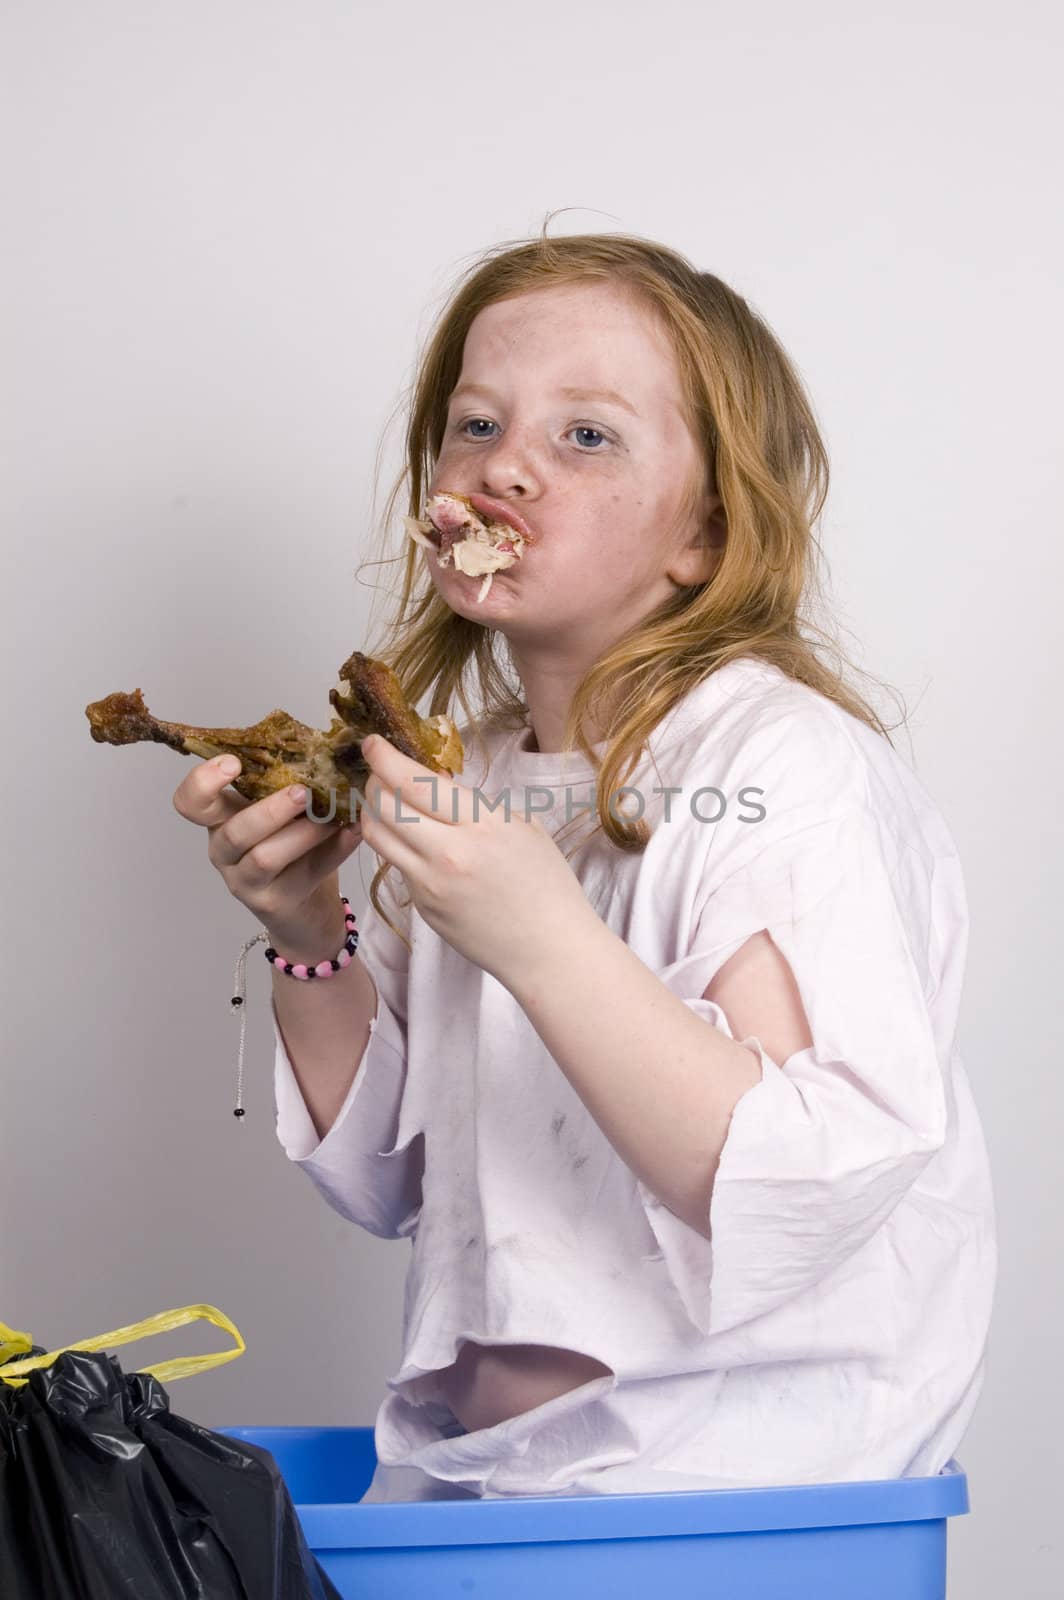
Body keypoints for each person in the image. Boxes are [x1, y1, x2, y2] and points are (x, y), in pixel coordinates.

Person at [173, 226, 996, 1502]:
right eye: (474, 425)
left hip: (735, 1495)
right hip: (488, 1481)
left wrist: (544, 938)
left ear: (704, 539)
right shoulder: (478, 773)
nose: (502, 467)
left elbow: (796, 1177)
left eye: (586, 436)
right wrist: (306, 919)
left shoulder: (779, 766)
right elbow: (390, 1176)